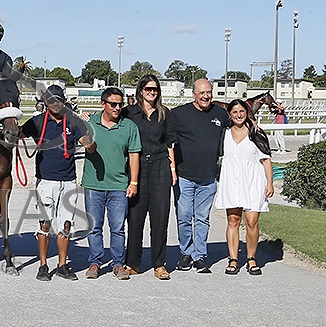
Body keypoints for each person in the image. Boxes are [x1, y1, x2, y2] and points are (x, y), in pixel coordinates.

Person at [21, 85, 93, 281]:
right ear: (46, 102)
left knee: (66, 225)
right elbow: (18, 134)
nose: (55, 103)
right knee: (44, 224)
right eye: (51, 100)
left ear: (64, 101)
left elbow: (87, 142)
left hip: (68, 181)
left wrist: (90, 144)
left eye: (58, 100)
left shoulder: (74, 121)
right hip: (45, 181)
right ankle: (43, 265)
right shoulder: (37, 121)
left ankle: (62, 265)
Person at [81, 87, 141, 280]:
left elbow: (133, 155)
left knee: (118, 228)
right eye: (113, 104)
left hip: (118, 185)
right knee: (94, 227)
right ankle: (95, 262)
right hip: (94, 185)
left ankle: (118, 264)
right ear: (103, 104)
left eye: (120, 104)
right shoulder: (89, 123)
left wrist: (133, 182)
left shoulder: (129, 126)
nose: (117, 108)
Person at [122, 75, 178, 280]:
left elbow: (170, 143)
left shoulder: (165, 114)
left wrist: (173, 170)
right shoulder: (129, 113)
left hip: (160, 166)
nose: (152, 92)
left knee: (160, 217)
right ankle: (133, 263)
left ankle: (159, 264)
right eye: (148, 89)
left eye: (155, 89)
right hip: (136, 167)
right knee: (135, 218)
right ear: (141, 90)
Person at [173, 78, 229, 273]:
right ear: (194, 94)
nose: (206, 96)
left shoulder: (220, 113)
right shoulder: (179, 114)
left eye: (209, 92)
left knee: (202, 218)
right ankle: (186, 252)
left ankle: (199, 255)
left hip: (208, 177)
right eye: (202, 93)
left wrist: (251, 122)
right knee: (184, 216)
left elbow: (238, 123)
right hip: (184, 176)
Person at [214, 99, 274, 275]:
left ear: (247, 113)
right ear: (229, 114)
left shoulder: (256, 132)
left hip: (253, 181)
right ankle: (233, 259)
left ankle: (251, 258)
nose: (238, 115)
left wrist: (270, 182)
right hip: (232, 180)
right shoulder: (224, 133)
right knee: (233, 220)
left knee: (252, 221)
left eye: (241, 111)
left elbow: (266, 159)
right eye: (235, 112)